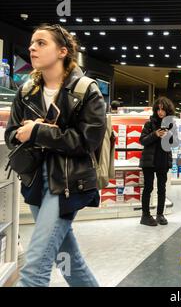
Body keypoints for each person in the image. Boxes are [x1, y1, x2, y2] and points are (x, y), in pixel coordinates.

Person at [5, 24, 106, 287]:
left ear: (62, 51)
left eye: (40, 43)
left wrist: (38, 132)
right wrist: (25, 133)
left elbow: (87, 141)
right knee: (68, 260)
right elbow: (11, 134)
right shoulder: (27, 91)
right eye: (31, 44)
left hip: (69, 184)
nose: (32, 48)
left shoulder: (86, 90)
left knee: (35, 268)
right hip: (35, 181)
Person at [139, 97, 179, 226]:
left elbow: (176, 143)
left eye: (163, 110)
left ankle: (160, 214)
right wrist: (155, 134)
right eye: (158, 109)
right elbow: (143, 140)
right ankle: (145, 216)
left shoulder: (171, 125)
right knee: (148, 187)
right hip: (149, 161)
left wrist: (168, 136)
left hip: (163, 160)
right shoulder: (149, 124)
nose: (160, 112)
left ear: (168, 111)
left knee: (162, 189)